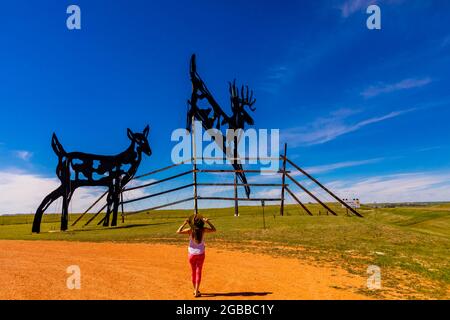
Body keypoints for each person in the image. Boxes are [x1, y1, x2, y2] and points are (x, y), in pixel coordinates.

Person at [176, 214, 216, 297]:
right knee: (199, 272)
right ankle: (196, 291)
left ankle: (195, 290)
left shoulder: (190, 230)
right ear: (201, 222)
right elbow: (214, 229)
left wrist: (184, 223)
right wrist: (208, 221)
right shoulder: (203, 230)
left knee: (193, 272)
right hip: (201, 253)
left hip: (191, 254)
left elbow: (178, 231)